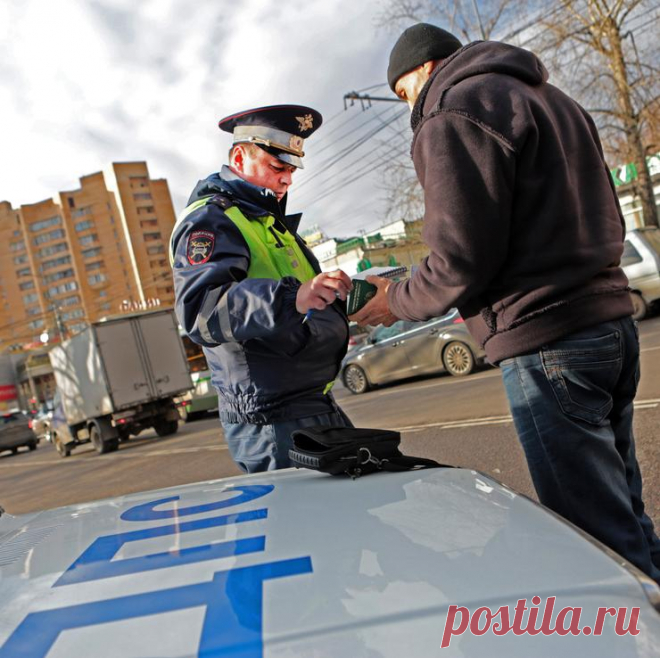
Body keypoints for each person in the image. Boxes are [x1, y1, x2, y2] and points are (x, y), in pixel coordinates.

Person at [352, 23, 660, 582]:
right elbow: (609, 217)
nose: (409, 108)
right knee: (626, 516)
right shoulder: (555, 100)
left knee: (595, 543)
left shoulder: (452, 110)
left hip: (547, 340)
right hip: (610, 325)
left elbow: (459, 259)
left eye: (404, 93)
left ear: (425, 69)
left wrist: (394, 299)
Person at [170, 104, 353, 473]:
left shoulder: (270, 222)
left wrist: (344, 299)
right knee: (307, 527)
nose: (288, 180)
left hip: (312, 402)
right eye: (278, 168)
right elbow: (200, 310)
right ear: (239, 156)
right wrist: (293, 298)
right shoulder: (212, 219)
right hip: (270, 419)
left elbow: (301, 304)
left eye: (292, 170)